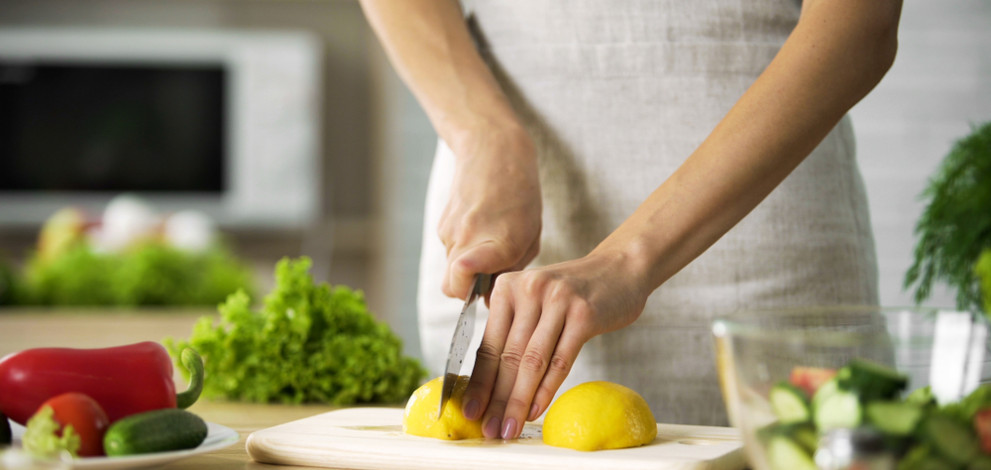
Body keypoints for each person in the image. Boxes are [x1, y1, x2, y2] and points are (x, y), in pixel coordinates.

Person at [358, 0, 901, 439]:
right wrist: (483, 135)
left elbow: (860, 26)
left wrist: (628, 258)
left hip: (761, 243)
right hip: (500, 221)